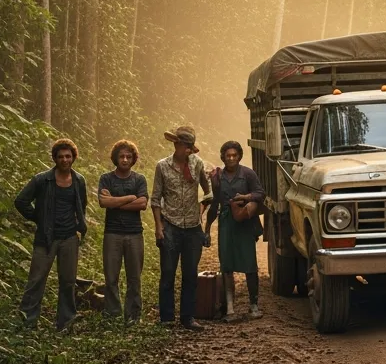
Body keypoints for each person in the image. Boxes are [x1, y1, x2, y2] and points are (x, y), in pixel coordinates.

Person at [15, 138, 89, 331]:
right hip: (45, 239)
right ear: (55, 158)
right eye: (60, 156)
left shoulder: (79, 180)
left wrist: (78, 227)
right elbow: (21, 201)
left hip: (69, 238)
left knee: (68, 282)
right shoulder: (42, 180)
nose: (65, 160)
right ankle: (27, 323)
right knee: (36, 280)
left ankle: (66, 323)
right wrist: (39, 218)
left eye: (68, 156)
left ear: (73, 157)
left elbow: (82, 205)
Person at [151, 126, 212, 329]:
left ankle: (188, 317)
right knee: (168, 273)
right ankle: (167, 318)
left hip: (193, 228)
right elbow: (156, 199)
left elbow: (208, 192)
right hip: (170, 225)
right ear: (176, 145)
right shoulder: (162, 166)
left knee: (190, 274)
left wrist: (200, 211)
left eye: (190, 147)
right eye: (185, 146)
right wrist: (159, 227)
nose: (188, 150)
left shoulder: (197, 164)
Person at [204, 141, 266, 322]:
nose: (231, 158)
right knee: (227, 265)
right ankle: (230, 309)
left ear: (239, 156)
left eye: (234, 155)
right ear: (223, 157)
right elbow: (215, 203)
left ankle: (254, 306)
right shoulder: (218, 177)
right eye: (227, 155)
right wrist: (207, 229)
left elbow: (260, 193)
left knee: (249, 264)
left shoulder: (248, 174)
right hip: (226, 223)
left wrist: (246, 197)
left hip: (245, 223)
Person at [98, 140, 149, 322]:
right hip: (112, 233)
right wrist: (129, 198)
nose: (125, 160)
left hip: (135, 233)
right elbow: (104, 202)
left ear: (133, 158)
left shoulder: (139, 179)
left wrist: (115, 201)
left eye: (129, 156)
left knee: (134, 277)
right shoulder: (106, 178)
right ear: (116, 158)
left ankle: (133, 315)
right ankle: (112, 314)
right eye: (122, 156)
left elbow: (142, 204)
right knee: (111, 276)